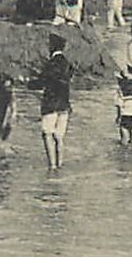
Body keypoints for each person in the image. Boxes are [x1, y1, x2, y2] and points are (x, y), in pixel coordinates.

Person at [31, 33, 74, 169]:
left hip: (51, 103)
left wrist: (28, 82)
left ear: (51, 47)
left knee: (47, 134)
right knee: (59, 136)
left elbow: (42, 82)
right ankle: (60, 163)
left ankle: (52, 165)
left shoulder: (51, 63)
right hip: (64, 103)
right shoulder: (68, 63)